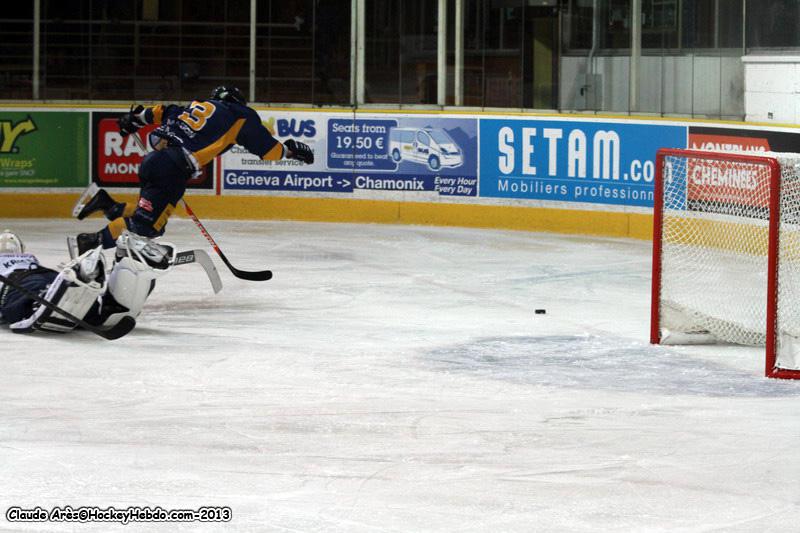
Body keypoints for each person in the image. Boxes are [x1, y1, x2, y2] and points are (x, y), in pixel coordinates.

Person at [74, 85, 314, 253]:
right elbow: (269, 151)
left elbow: (161, 111)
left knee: (149, 219)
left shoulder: (196, 106)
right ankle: (92, 242)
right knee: (145, 226)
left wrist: (135, 120)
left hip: (154, 161)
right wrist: (291, 151)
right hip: (172, 168)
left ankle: (107, 204)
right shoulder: (239, 114)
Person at [1, 229, 174, 335]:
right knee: (103, 315)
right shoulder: (27, 258)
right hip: (49, 276)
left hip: (17, 283)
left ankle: (54, 293)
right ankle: (128, 260)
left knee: (17, 308)